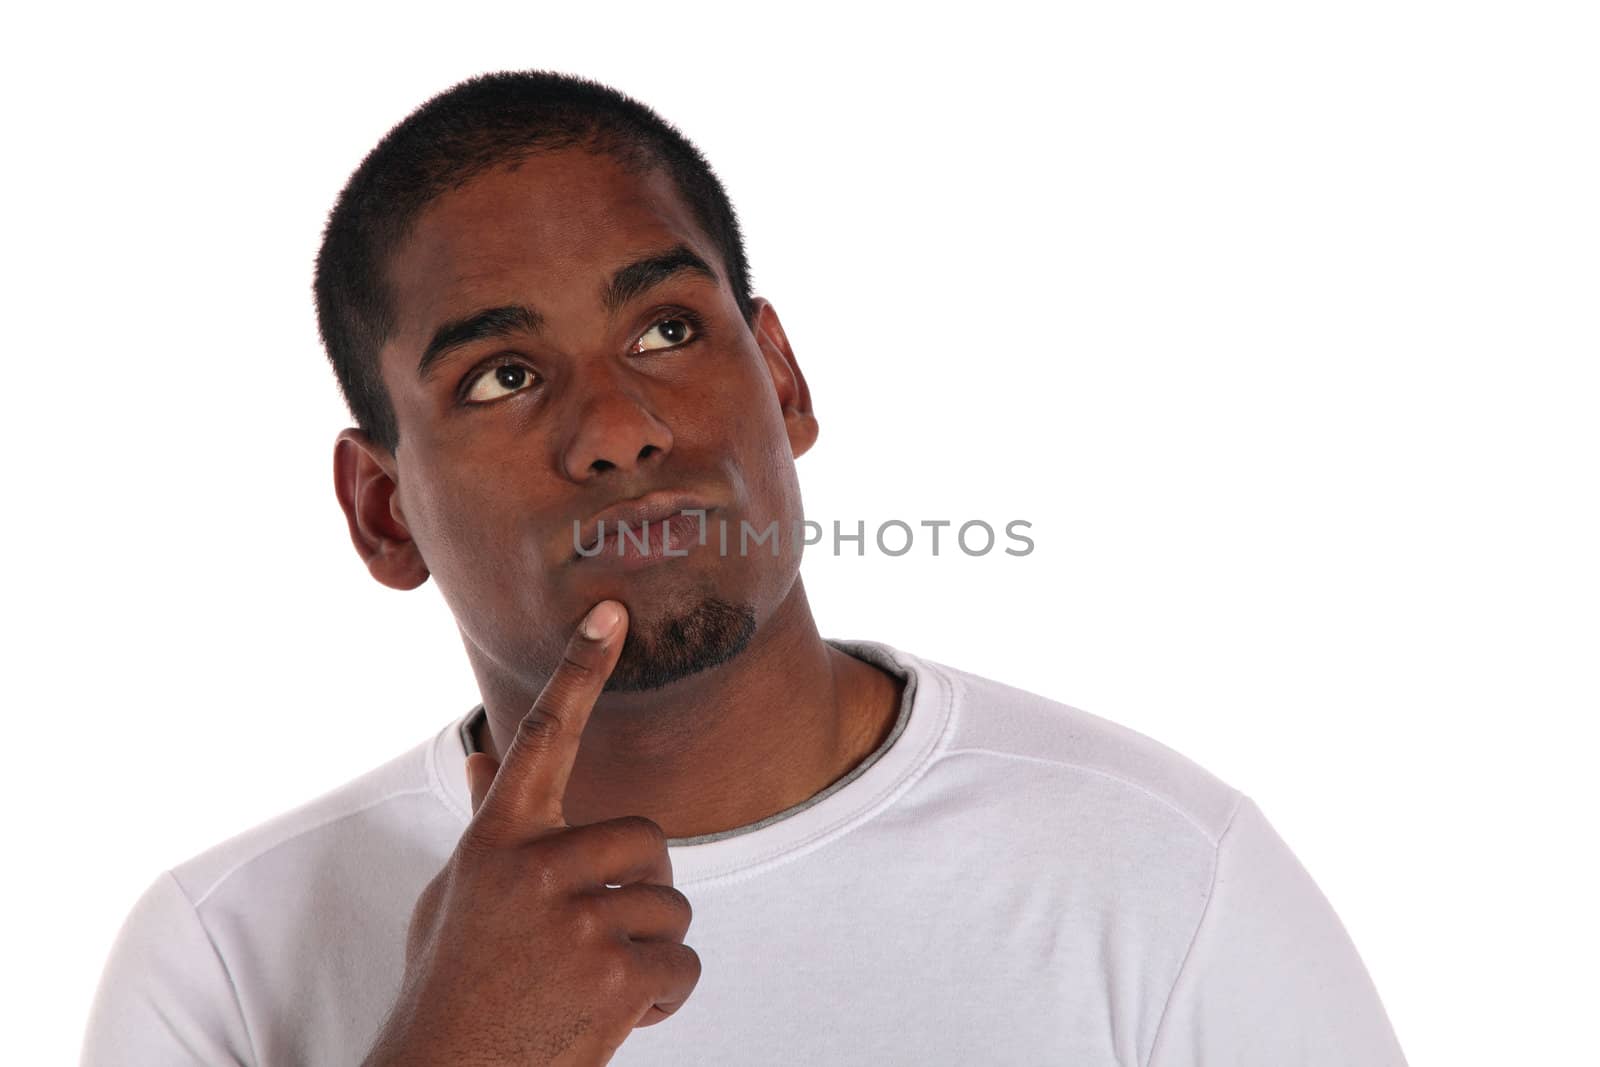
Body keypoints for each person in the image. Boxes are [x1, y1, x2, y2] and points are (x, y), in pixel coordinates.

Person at [82, 70, 1408, 1066]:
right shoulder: (225, 957)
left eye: (666, 328)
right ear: (382, 512)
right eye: (502, 374)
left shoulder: (1160, 874)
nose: (616, 429)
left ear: (780, 377)